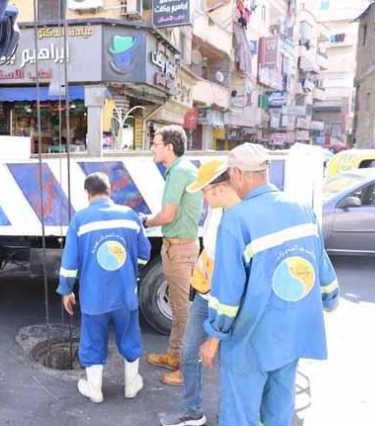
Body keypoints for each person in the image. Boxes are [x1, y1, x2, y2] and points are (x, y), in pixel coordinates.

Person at [199, 143, 340, 425]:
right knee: (279, 411)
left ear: (238, 174)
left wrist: (214, 337)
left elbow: (228, 294)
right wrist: (330, 299)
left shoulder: (236, 220)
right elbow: (320, 264)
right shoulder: (301, 209)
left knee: (240, 413)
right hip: (293, 333)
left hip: (252, 337)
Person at [57, 172, 151, 403]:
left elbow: (69, 263)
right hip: (125, 295)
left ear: (88, 194)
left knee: (92, 340)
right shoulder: (130, 216)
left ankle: (95, 390)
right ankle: (131, 386)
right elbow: (144, 254)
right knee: (129, 338)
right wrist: (130, 268)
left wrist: (66, 290)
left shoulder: (80, 219)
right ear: (110, 191)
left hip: (94, 298)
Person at [161, 159, 240, 426]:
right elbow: (213, 251)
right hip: (207, 295)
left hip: (226, 300)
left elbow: (234, 275)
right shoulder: (216, 211)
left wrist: (215, 337)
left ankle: (232, 416)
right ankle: (193, 412)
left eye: (204, 191)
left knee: (229, 362)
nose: (202, 198)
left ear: (219, 187)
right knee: (189, 352)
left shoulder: (240, 218)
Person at [143, 125, 203, 386]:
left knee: (182, 311)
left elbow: (167, 215)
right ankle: (173, 355)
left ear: (170, 146)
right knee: (180, 308)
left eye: (156, 143)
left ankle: (185, 367)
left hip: (180, 248)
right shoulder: (180, 170)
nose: (153, 147)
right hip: (176, 247)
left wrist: (146, 222)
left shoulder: (179, 172)